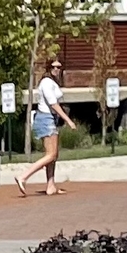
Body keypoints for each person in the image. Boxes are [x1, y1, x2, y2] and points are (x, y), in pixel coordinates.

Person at [16, 58, 77, 196]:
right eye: (54, 67)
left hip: (49, 119)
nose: (57, 69)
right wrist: (68, 120)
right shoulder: (47, 83)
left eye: (59, 67)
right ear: (49, 68)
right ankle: (23, 176)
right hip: (46, 119)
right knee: (51, 154)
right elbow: (53, 104)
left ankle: (51, 185)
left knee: (53, 155)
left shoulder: (52, 83)